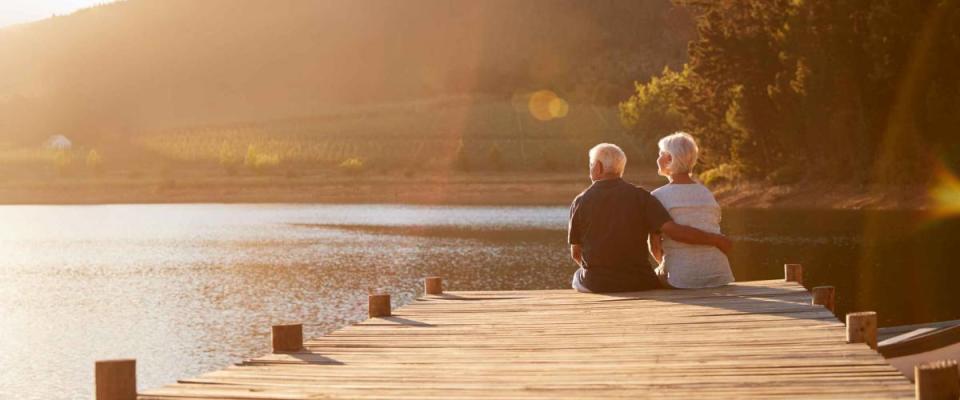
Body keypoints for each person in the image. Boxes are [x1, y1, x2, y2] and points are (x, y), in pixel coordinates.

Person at [569, 143, 731, 293]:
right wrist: (715, 239)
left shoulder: (580, 201)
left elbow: (576, 253)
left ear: (598, 168)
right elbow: (672, 230)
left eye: (591, 165)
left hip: (598, 283)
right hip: (640, 281)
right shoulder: (642, 197)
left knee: (577, 276)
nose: (590, 169)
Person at [649, 132, 735, 289]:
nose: (657, 159)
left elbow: (654, 245)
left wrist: (665, 265)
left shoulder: (657, 196)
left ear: (669, 159)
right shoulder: (706, 193)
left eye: (661, 154)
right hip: (718, 274)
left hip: (681, 278)